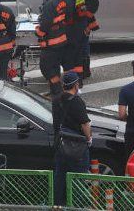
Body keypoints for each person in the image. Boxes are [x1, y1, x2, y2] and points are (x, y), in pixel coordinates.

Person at [53, 71, 91, 205]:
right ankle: (78, 206)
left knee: (60, 177)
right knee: (79, 178)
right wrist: (89, 138)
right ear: (75, 85)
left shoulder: (56, 100)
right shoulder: (77, 101)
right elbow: (85, 124)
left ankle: (58, 205)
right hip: (77, 146)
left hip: (60, 144)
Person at [37, 0, 71, 100]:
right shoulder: (62, 0)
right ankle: (54, 90)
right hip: (61, 40)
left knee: (47, 68)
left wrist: (38, 32)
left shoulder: (49, 4)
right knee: (55, 66)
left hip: (51, 43)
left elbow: (45, 25)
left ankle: (57, 92)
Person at [61, 0, 100, 79]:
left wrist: (86, 23)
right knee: (81, 48)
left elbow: (93, 4)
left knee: (82, 49)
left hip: (81, 23)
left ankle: (84, 72)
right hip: (80, 23)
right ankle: (83, 72)